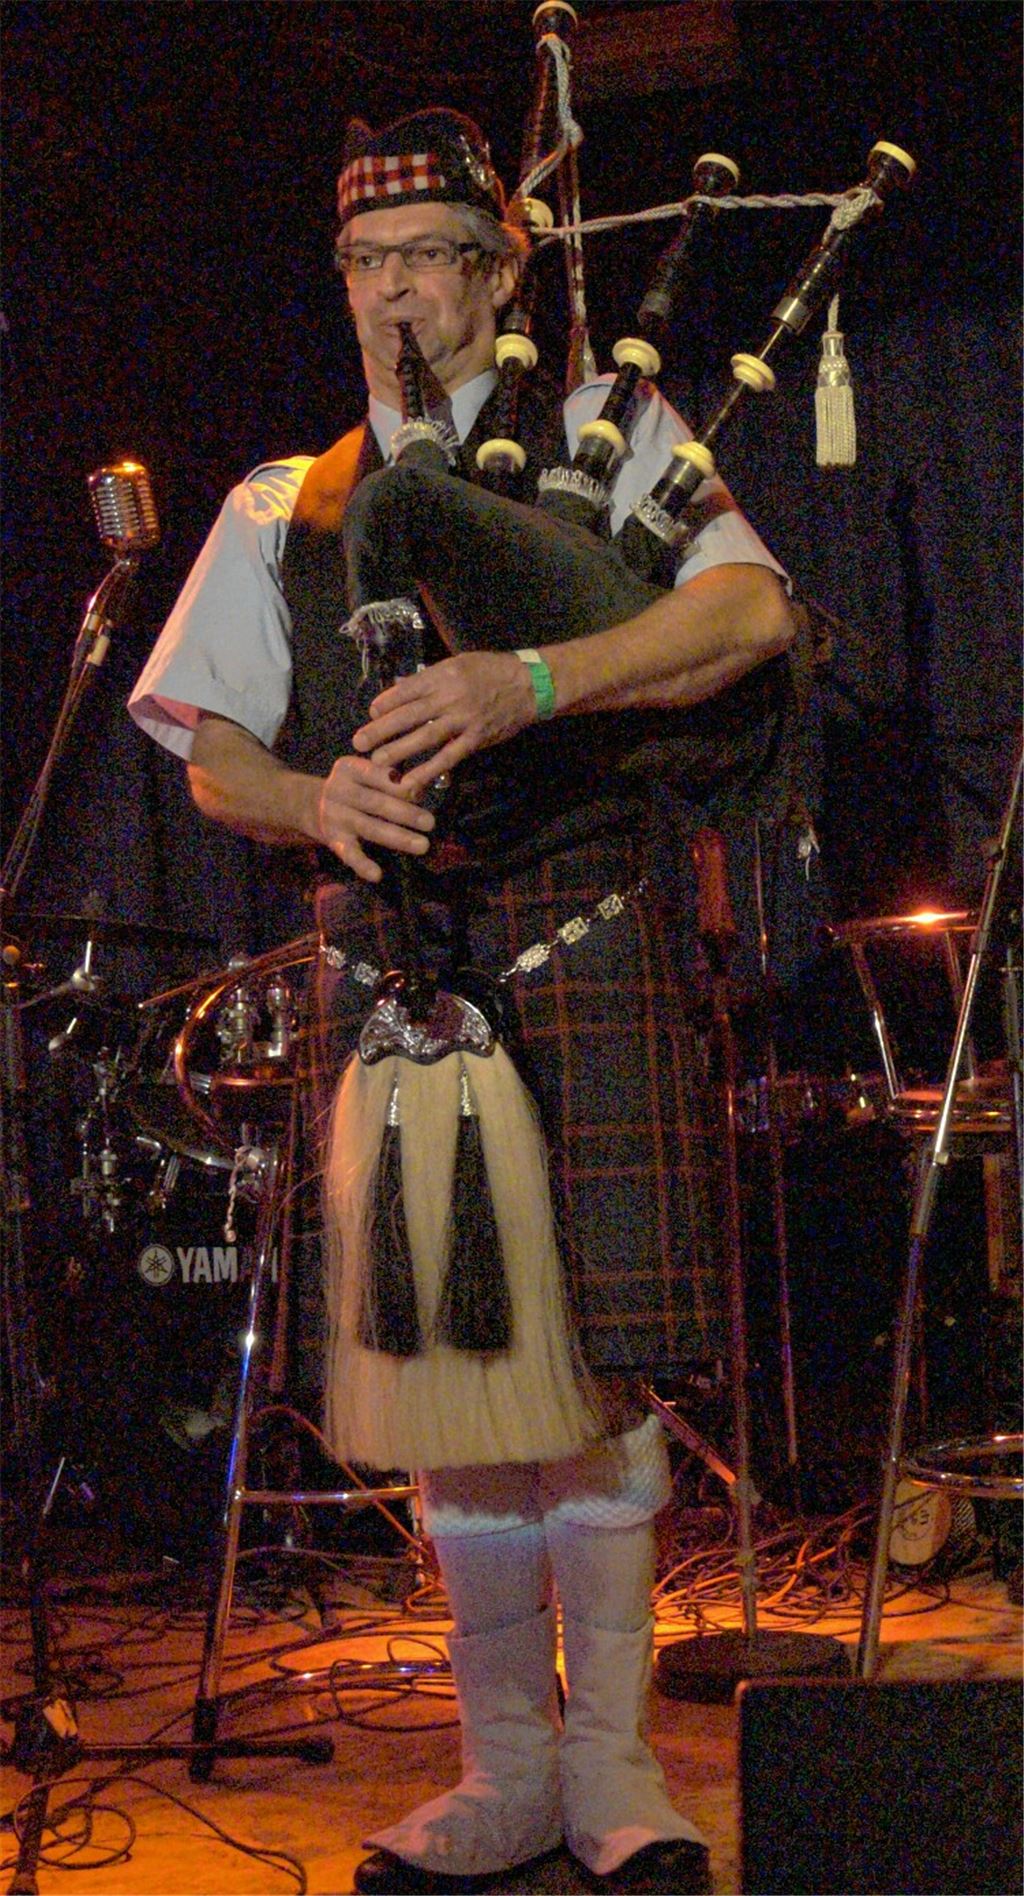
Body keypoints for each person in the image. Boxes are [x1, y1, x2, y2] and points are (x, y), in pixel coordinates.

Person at [131, 109, 794, 1896]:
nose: (400, 291)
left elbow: (748, 618)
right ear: (340, 286)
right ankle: (505, 1771)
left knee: (593, 1388)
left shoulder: (612, 436)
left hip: (586, 947)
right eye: (370, 261)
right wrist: (309, 801)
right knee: (450, 1391)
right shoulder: (290, 501)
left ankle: (612, 1768)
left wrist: (535, 676)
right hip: (394, 980)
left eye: (438, 254)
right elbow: (211, 758)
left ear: (506, 277)